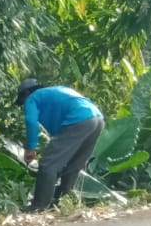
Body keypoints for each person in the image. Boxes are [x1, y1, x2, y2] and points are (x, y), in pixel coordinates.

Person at [17, 79, 106, 211]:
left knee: (48, 164)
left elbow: (31, 121)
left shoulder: (33, 98)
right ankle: (63, 202)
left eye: (22, 101)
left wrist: (31, 148)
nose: (24, 105)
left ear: (26, 93)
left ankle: (38, 206)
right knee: (73, 164)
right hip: (97, 119)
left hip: (79, 119)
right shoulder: (55, 92)